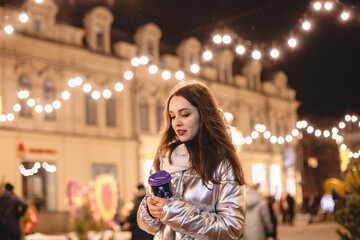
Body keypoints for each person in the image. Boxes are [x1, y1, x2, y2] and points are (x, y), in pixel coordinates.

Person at [137, 81, 246, 240]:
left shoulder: (222, 163)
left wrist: (172, 211)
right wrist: (149, 210)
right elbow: (152, 227)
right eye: (172, 116)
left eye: (185, 114)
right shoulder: (164, 159)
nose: (177, 122)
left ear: (204, 114)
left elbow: (231, 228)